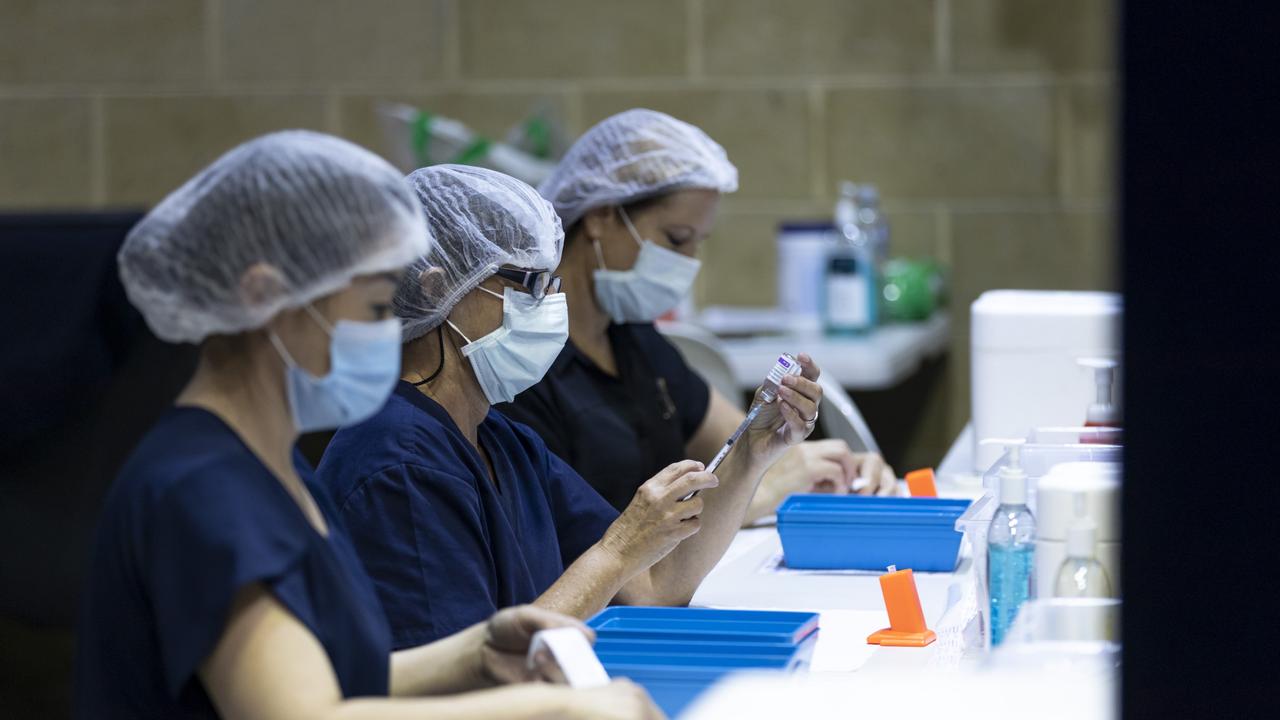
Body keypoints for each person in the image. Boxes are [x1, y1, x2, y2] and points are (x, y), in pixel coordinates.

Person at [74, 132, 660, 720]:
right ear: (267, 296)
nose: (396, 329)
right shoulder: (202, 490)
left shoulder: (272, 468)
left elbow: (324, 672)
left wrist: (476, 653)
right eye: (378, 307)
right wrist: (551, 710)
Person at [315, 164, 825, 647]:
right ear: (439, 287)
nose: (549, 306)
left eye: (551, 283)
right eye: (528, 284)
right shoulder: (398, 464)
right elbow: (465, 680)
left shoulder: (504, 442)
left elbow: (652, 588)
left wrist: (753, 453)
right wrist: (617, 549)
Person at [498, 109, 897, 523]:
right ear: (600, 215)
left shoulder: (633, 341)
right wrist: (763, 493)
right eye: (676, 239)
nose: (687, 264)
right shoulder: (527, 362)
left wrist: (836, 467)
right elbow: (586, 542)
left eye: (696, 244)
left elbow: (743, 448)